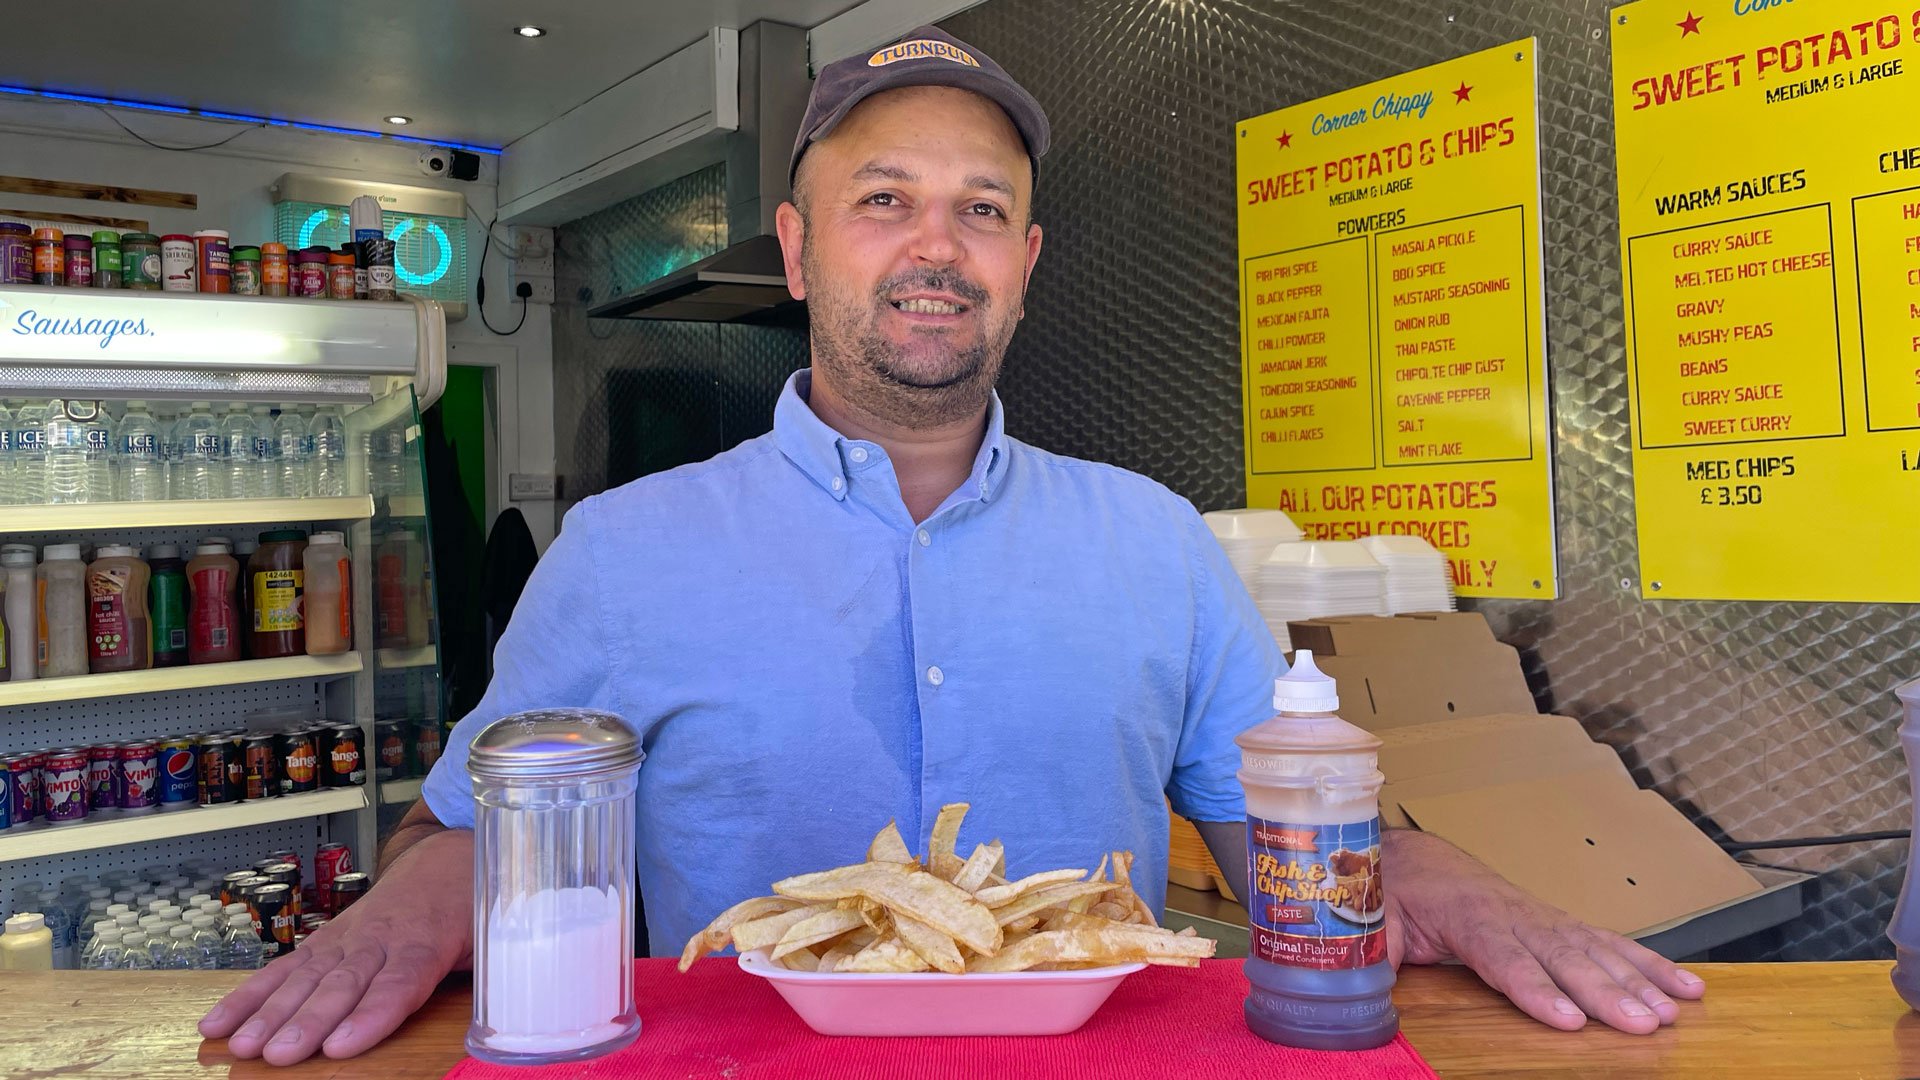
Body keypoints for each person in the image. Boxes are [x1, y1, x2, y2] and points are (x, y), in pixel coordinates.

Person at [201, 26, 1703, 1065]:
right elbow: (474, 827)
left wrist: (1481, 897)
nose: (938, 245)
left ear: (1026, 265)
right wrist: (381, 924)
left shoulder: (1155, 542)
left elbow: (1291, 842)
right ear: (797, 250)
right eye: (884, 203)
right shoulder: (621, 553)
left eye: (983, 210)